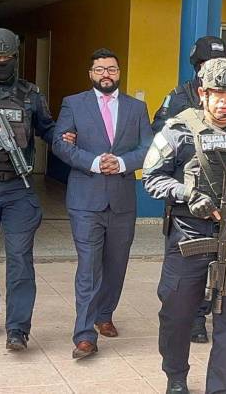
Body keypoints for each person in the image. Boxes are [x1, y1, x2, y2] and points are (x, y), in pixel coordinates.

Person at [143, 58, 226, 394]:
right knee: (176, 312)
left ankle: (222, 387)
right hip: (189, 235)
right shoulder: (178, 129)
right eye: (217, 94)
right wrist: (187, 194)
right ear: (203, 93)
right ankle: (175, 376)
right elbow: (152, 177)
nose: (224, 102)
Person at [0, 28, 74, 351]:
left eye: (6, 56)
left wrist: (64, 138)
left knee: (21, 260)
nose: (1, 61)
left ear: (15, 57)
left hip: (17, 188)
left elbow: (47, 129)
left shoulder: (30, 94)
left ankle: (18, 328)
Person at [52, 48, 153, 360]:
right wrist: (94, 162)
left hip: (122, 198)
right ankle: (84, 335)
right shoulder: (73, 104)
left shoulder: (137, 108)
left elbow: (148, 147)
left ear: (119, 73)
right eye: (99, 69)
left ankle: (104, 313)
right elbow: (59, 145)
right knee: (89, 266)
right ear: (91, 74)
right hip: (86, 199)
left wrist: (122, 162)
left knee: (116, 263)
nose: (105, 74)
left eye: (111, 69)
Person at [152, 36, 226, 344]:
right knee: (182, 269)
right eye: (205, 64)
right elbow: (159, 136)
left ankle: (200, 317)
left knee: (216, 264)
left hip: (221, 196)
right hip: (185, 199)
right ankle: (181, 317)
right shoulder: (178, 97)